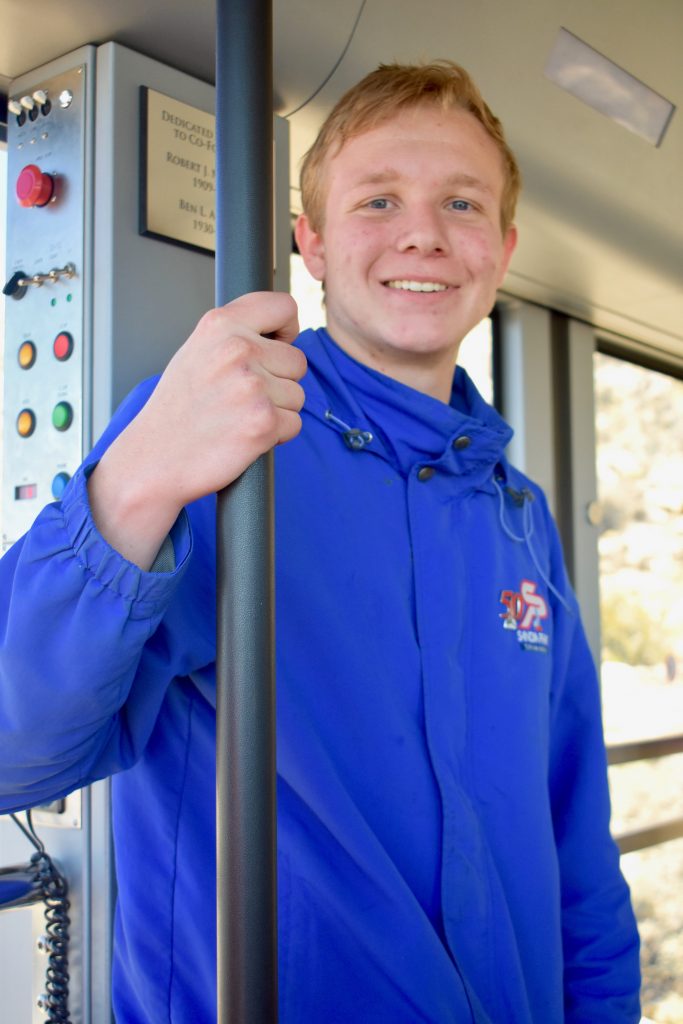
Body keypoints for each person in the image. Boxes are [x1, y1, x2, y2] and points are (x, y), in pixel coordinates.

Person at [0, 61, 640, 1022]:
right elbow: (17, 753)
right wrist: (135, 479)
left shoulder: (518, 516)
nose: (422, 231)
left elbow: (574, 841)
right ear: (310, 243)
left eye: (461, 203)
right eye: (378, 199)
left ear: (501, 250)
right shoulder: (223, 447)